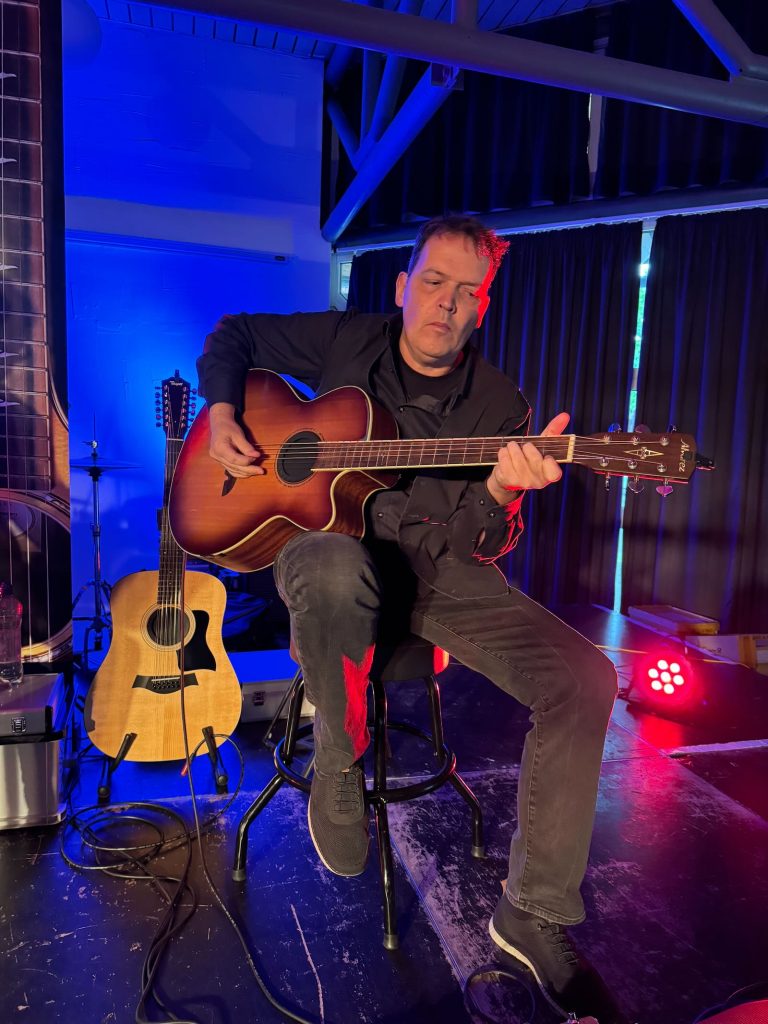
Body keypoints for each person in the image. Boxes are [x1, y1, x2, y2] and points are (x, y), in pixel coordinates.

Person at [198, 215, 629, 1022]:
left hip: (437, 574)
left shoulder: (500, 404)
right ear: (403, 287)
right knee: (334, 566)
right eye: (433, 283)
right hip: (322, 549)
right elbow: (233, 335)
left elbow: (474, 544)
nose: (447, 304)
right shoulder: (347, 342)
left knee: (585, 677)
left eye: (468, 292)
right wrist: (224, 413)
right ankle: (338, 757)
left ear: (483, 306)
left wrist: (500, 493)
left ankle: (530, 914)